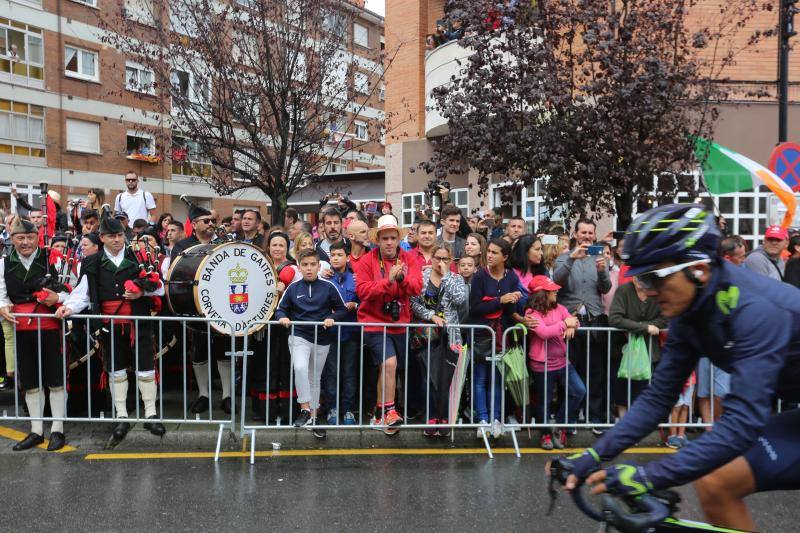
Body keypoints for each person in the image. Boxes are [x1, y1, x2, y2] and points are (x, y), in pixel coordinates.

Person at [563, 204, 800, 532]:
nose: (645, 290)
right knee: (716, 482)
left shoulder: (755, 311)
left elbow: (741, 424)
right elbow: (658, 398)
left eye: (652, 278)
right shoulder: (690, 312)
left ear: (699, 269)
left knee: (718, 475)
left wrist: (646, 476)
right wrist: (592, 456)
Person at [56, 212, 166, 445]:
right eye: (111, 236)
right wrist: (68, 308)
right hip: (109, 326)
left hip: (139, 323)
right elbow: (82, 294)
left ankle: (150, 414)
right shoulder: (91, 262)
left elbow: (160, 289)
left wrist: (141, 291)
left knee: (145, 368)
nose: (117, 240)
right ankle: (122, 416)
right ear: (102, 238)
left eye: (120, 235)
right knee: (115, 371)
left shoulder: (138, 257)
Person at [0, 217, 70, 451]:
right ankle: (36, 431)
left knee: (55, 380)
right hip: (22, 328)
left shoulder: (53, 260)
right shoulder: (4, 264)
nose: (26, 242)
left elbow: (73, 289)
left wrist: (58, 298)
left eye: (30, 237)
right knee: (30, 382)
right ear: (12, 239)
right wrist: (2, 306)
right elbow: (2, 295)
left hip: (50, 326)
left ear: (38, 238)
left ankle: (58, 429)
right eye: (20, 238)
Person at [354, 214, 423, 435]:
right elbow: (363, 291)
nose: (390, 242)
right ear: (378, 240)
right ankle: (390, 411)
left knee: (388, 367)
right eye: (385, 238)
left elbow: (416, 287)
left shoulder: (409, 258)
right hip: (373, 322)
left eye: (393, 238)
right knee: (390, 363)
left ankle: (379, 413)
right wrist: (388, 281)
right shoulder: (367, 260)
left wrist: (401, 279)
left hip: (400, 323)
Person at [277, 249, 348, 439]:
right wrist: (283, 318)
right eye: (305, 265)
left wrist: (332, 318)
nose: (309, 268)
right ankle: (305, 408)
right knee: (300, 368)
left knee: (314, 378)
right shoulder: (293, 288)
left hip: (322, 338)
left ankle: (313, 419)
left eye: (312, 265)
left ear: (319, 266)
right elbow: (280, 309)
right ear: (299, 267)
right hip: (299, 336)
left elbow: (342, 310)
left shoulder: (328, 286)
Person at [169, 203, 233, 413]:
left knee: (224, 350)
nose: (211, 224)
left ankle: (227, 396)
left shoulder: (223, 243)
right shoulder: (183, 246)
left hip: (221, 305)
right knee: (199, 351)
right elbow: (178, 274)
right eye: (206, 221)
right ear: (194, 224)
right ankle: (203, 395)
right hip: (194, 305)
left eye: (213, 221)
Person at [553, 218, 611, 432]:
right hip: (570, 324)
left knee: (595, 372)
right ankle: (569, 419)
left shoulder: (599, 257)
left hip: (594, 322)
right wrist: (570, 259)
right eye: (583, 232)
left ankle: (594, 418)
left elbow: (605, 289)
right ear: (575, 234)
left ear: (594, 236)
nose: (587, 236)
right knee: (570, 373)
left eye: (590, 233)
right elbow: (556, 283)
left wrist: (603, 270)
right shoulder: (563, 258)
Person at [468, 238, 525, 439]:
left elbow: (510, 311)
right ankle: (482, 420)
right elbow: (474, 307)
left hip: (503, 336)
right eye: (488, 251)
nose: (489, 255)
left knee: (498, 379)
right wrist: (499, 300)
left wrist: (515, 302)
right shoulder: (480, 276)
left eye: (494, 252)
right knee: (480, 378)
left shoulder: (511, 278)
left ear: (505, 257)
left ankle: (496, 419)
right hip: (482, 335)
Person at [410, 243, 467, 437]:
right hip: (427, 336)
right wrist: (430, 315)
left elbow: (460, 300)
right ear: (431, 258)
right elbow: (413, 303)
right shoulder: (422, 277)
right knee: (429, 379)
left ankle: (445, 418)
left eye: (445, 259)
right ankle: (431, 417)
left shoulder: (456, 278)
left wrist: (445, 277)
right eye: (438, 258)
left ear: (451, 261)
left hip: (450, 335)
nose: (441, 262)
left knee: (446, 378)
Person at [524, 275, 584, 450]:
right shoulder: (531, 313)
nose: (557, 290)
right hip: (542, 365)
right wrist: (565, 324)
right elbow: (543, 332)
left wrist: (572, 325)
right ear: (542, 294)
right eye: (552, 290)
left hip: (562, 362)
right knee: (545, 402)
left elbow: (574, 321)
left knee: (579, 391)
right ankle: (545, 435)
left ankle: (558, 425)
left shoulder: (560, 308)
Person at [608, 277, 667, 417]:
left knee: (645, 392)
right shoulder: (624, 291)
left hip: (650, 350)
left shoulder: (657, 290)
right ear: (633, 279)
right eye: (638, 277)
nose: (640, 280)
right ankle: (624, 428)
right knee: (623, 392)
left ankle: (636, 429)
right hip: (624, 350)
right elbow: (615, 318)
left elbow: (664, 318)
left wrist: (635, 326)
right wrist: (644, 327)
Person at [320, 241, 359, 426]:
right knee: (331, 372)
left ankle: (349, 409)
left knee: (349, 372)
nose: (335, 258)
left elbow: (363, 301)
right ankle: (332, 409)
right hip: (330, 334)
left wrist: (355, 305)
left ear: (347, 257)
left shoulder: (356, 278)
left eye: (339, 255)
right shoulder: (325, 278)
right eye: (333, 255)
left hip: (351, 333)